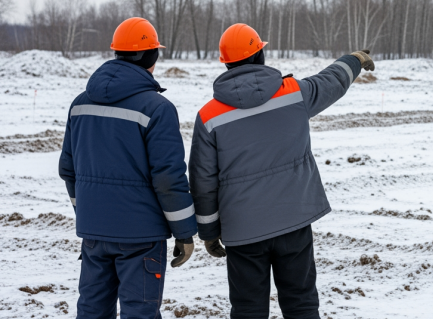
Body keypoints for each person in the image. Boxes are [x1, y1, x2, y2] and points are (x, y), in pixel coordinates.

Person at [189, 23, 374, 319]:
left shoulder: (209, 116)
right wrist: (353, 60)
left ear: (226, 63)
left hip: (243, 231)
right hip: (294, 220)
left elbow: (202, 181)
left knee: (248, 309)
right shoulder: (294, 94)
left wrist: (209, 232)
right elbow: (331, 81)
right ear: (260, 55)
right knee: (301, 304)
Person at [58, 17, 197, 318]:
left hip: (94, 233)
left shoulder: (79, 104)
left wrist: (88, 211)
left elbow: (68, 170)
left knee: (92, 310)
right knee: (139, 312)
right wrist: (185, 232)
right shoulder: (158, 108)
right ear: (152, 56)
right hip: (141, 236)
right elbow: (168, 179)